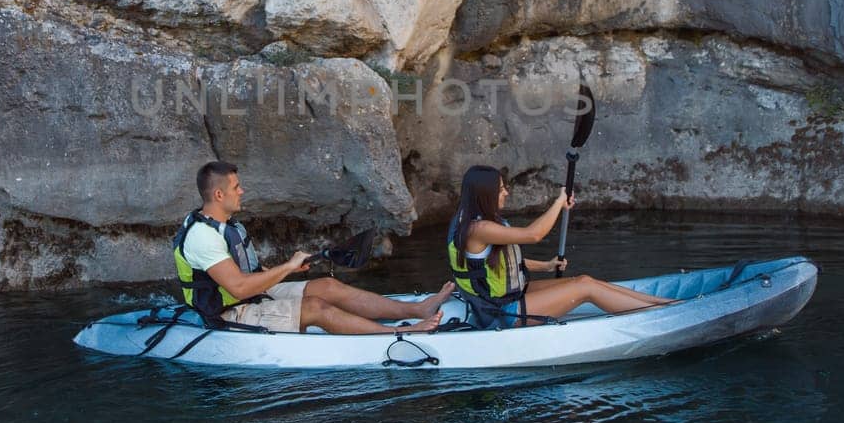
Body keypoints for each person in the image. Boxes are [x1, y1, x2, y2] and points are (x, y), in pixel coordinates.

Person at [175, 161, 454, 334]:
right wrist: (286, 267)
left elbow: (252, 271)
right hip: (229, 312)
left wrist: (287, 270)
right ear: (219, 194)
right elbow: (238, 288)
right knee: (315, 307)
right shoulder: (202, 236)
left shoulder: (231, 225)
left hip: (251, 294)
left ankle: (415, 310)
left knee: (327, 287)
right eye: (236, 187)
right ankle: (396, 333)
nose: (242, 191)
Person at [447, 165, 672, 329]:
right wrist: (558, 202)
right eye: (501, 189)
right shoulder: (477, 229)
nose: (506, 193)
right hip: (500, 312)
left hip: (508, 298)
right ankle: (659, 317)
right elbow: (533, 235)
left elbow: (498, 264)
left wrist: (546, 266)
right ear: (485, 195)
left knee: (585, 281)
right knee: (586, 290)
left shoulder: (475, 221)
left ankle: (664, 304)